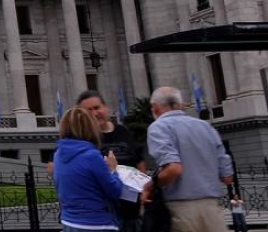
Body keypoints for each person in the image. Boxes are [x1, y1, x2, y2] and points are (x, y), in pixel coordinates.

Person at [143, 87, 234, 232]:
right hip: (212, 207)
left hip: (181, 208)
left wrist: (150, 186)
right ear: (181, 104)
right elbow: (227, 177)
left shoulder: (159, 127)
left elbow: (174, 169)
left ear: (155, 107)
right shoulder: (205, 126)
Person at [77, 90, 146, 232]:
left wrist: (143, 192)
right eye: (88, 110)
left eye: (97, 108)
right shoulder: (83, 139)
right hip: (104, 213)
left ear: (105, 107)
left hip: (132, 210)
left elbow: (139, 162)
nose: (95, 113)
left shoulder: (123, 131)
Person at [54, 107, 125, 232]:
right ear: (90, 127)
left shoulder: (58, 154)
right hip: (96, 224)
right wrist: (113, 170)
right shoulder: (92, 156)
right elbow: (114, 191)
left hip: (69, 222)